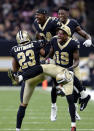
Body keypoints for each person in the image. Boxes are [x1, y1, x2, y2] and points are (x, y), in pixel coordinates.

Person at [9, 30, 75, 131]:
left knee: (23, 104)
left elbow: (14, 69)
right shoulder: (35, 44)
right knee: (57, 67)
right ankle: (60, 87)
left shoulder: (14, 49)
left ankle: (17, 129)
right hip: (41, 73)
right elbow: (45, 54)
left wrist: (18, 73)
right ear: (28, 37)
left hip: (28, 79)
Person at [49, 5, 92, 121]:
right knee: (55, 86)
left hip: (69, 57)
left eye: (62, 14)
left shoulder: (72, 23)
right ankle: (53, 107)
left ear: (68, 13)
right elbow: (48, 37)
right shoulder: (54, 23)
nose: (60, 16)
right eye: (59, 14)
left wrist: (89, 39)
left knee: (77, 83)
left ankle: (75, 108)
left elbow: (83, 33)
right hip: (57, 57)